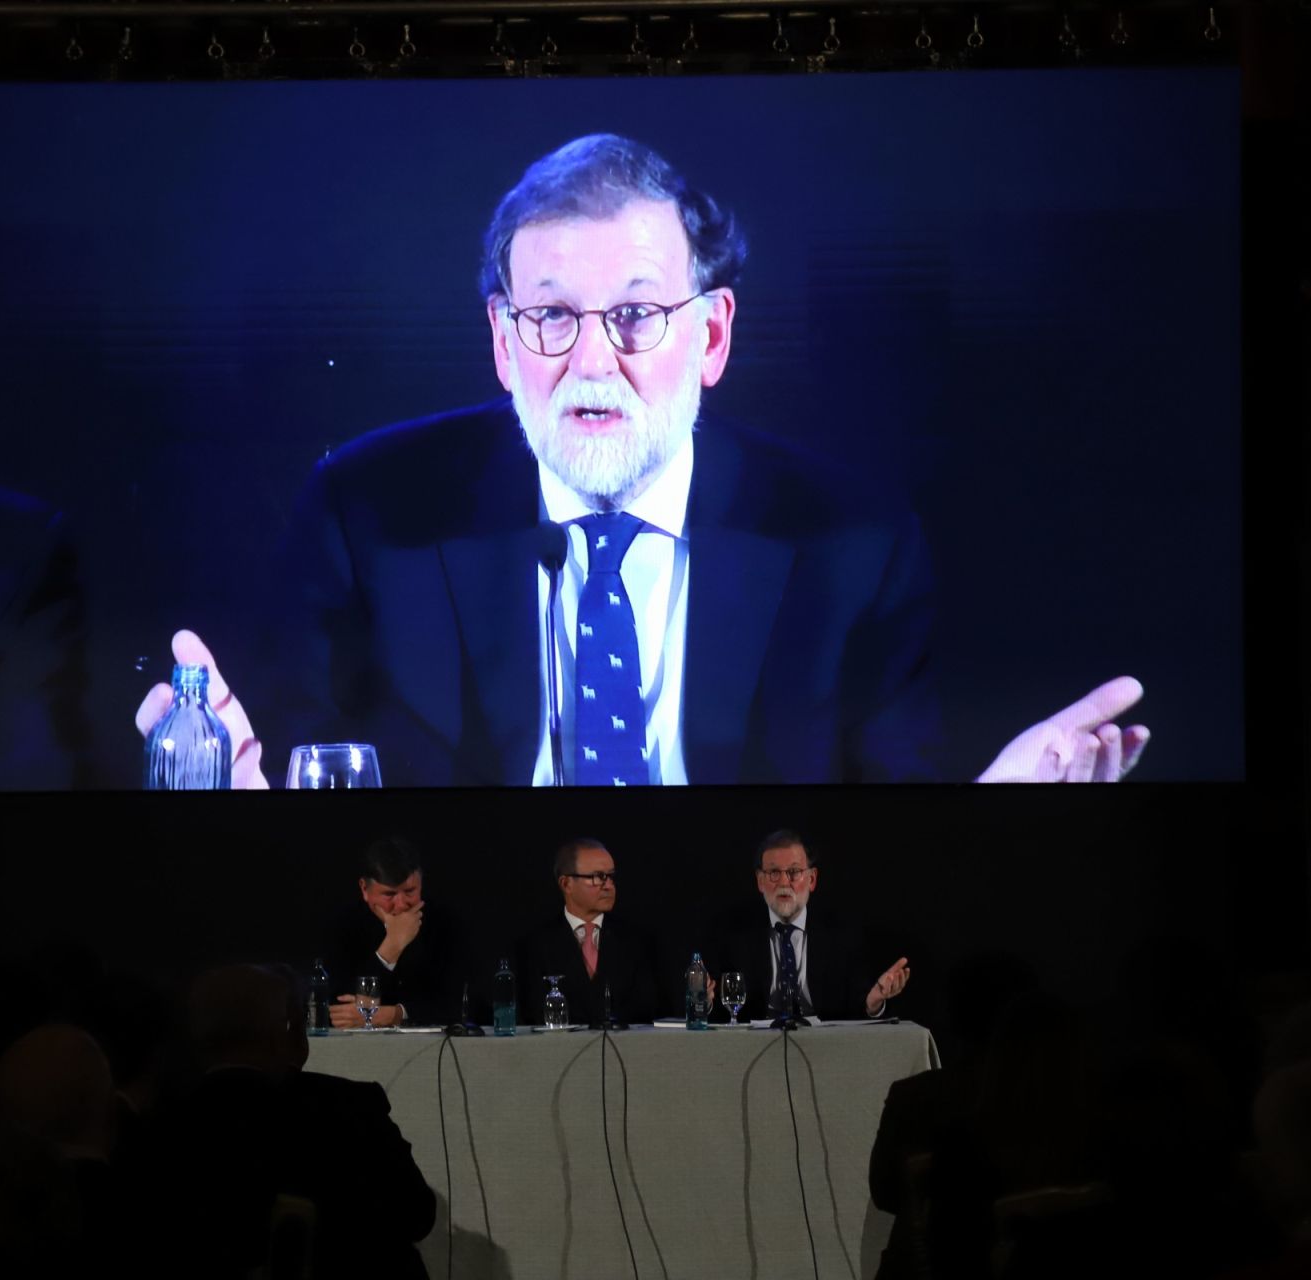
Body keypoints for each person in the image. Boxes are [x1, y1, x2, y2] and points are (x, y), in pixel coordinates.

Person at [135, 133, 1150, 786]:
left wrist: (993, 816)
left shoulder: (852, 543)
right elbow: (313, 796)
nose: (589, 361)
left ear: (711, 338)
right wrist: (241, 800)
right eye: (548, 318)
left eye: (633, 315)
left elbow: (887, 842)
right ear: (501, 341)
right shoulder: (367, 513)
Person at [132, 964, 434, 1279]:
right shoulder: (349, 1108)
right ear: (290, 1034)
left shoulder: (161, 1125)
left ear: (195, 1037)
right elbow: (416, 1214)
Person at [710, 830, 908, 1022]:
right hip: (755, 1047)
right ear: (760, 881)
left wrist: (874, 1003)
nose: (784, 882)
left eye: (794, 872)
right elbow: (720, 1011)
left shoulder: (841, 935)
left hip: (825, 1046)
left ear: (812, 879)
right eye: (773, 873)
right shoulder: (732, 936)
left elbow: (859, 1005)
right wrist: (706, 1002)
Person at [324, 837, 471, 1027]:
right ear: (365, 889)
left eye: (410, 891)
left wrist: (394, 1014)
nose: (401, 905)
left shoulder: (445, 923)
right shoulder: (345, 926)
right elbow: (337, 1010)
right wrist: (390, 948)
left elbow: (457, 1004)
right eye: (389, 894)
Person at [514, 838, 661, 1026]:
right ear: (566, 884)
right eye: (598, 877)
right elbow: (530, 1012)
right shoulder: (534, 945)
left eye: (611, 877)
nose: (608, 886)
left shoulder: (638, 941)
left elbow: (653, 1009)